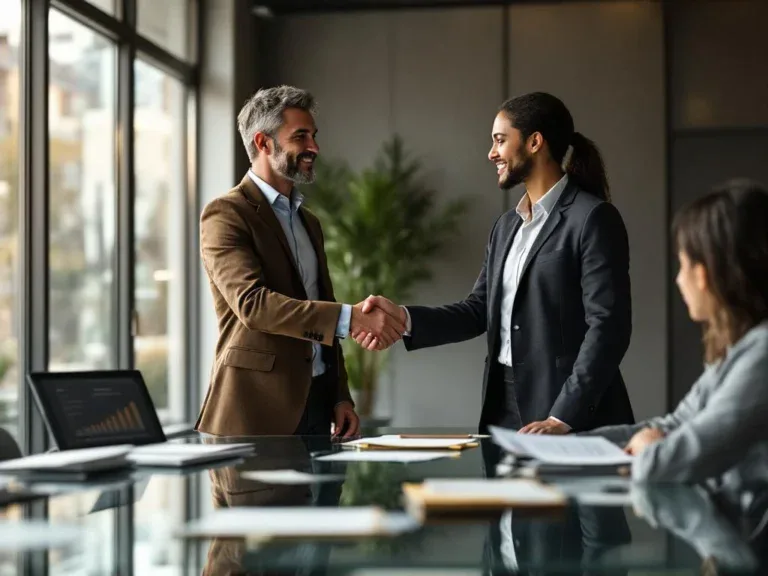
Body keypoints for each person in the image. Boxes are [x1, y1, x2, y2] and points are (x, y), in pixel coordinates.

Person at [355, 92, 634, 434]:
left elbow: (609, 327)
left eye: (500, 141)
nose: (491, 153)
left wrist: (562, 417)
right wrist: (404, 318)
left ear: (534, 142)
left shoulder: (592, 218)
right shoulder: (505, 227)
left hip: (570, 414)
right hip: (501, 408)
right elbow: (478, 310)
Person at [196, 85, 405, 438]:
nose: (314, 148)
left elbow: (317, 304)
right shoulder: (226, 214)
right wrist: (349, 316)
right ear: (263, 143)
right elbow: (253, 305)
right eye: (301, 136)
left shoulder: (309, 222)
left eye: (314, 136)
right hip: (254, 413)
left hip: (320, 407)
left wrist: (340, 395)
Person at [586, 180, 768, 486]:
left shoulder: (762, 353)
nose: (678, 279)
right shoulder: (739, 349)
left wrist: (650, 449)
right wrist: (576, 446)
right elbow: (676, 425)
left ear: (703, 273)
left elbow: (671, 461)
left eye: (682, 264)